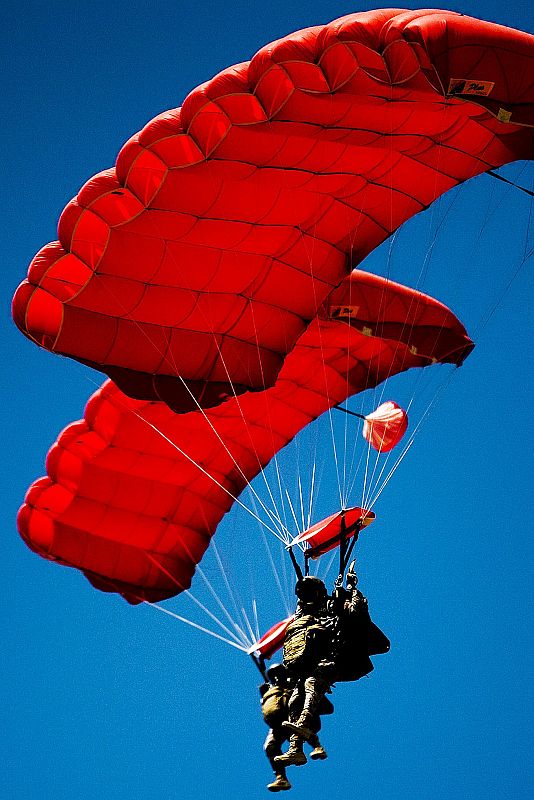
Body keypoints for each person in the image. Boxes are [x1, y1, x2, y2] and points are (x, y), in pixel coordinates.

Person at [276, 563, 389, 767]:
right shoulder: (304, 613)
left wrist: (352, 588)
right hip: (308, 662)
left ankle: (303, 724)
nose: (306, 598)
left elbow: (356, 613)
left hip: (336, 659)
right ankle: (295, 750)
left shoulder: (334, 606)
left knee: (313, 683)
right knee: (294, 699)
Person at [260, 662, 331, 792]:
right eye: (273, 676)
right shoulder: (269, 690)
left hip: (293, 718)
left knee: (299, 727)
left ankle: (317, 746)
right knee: (270, 746)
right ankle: (281, 778)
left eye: (278, 674)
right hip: (277, 724)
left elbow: (325, 706)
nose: (276, 678)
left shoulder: (295, 685)